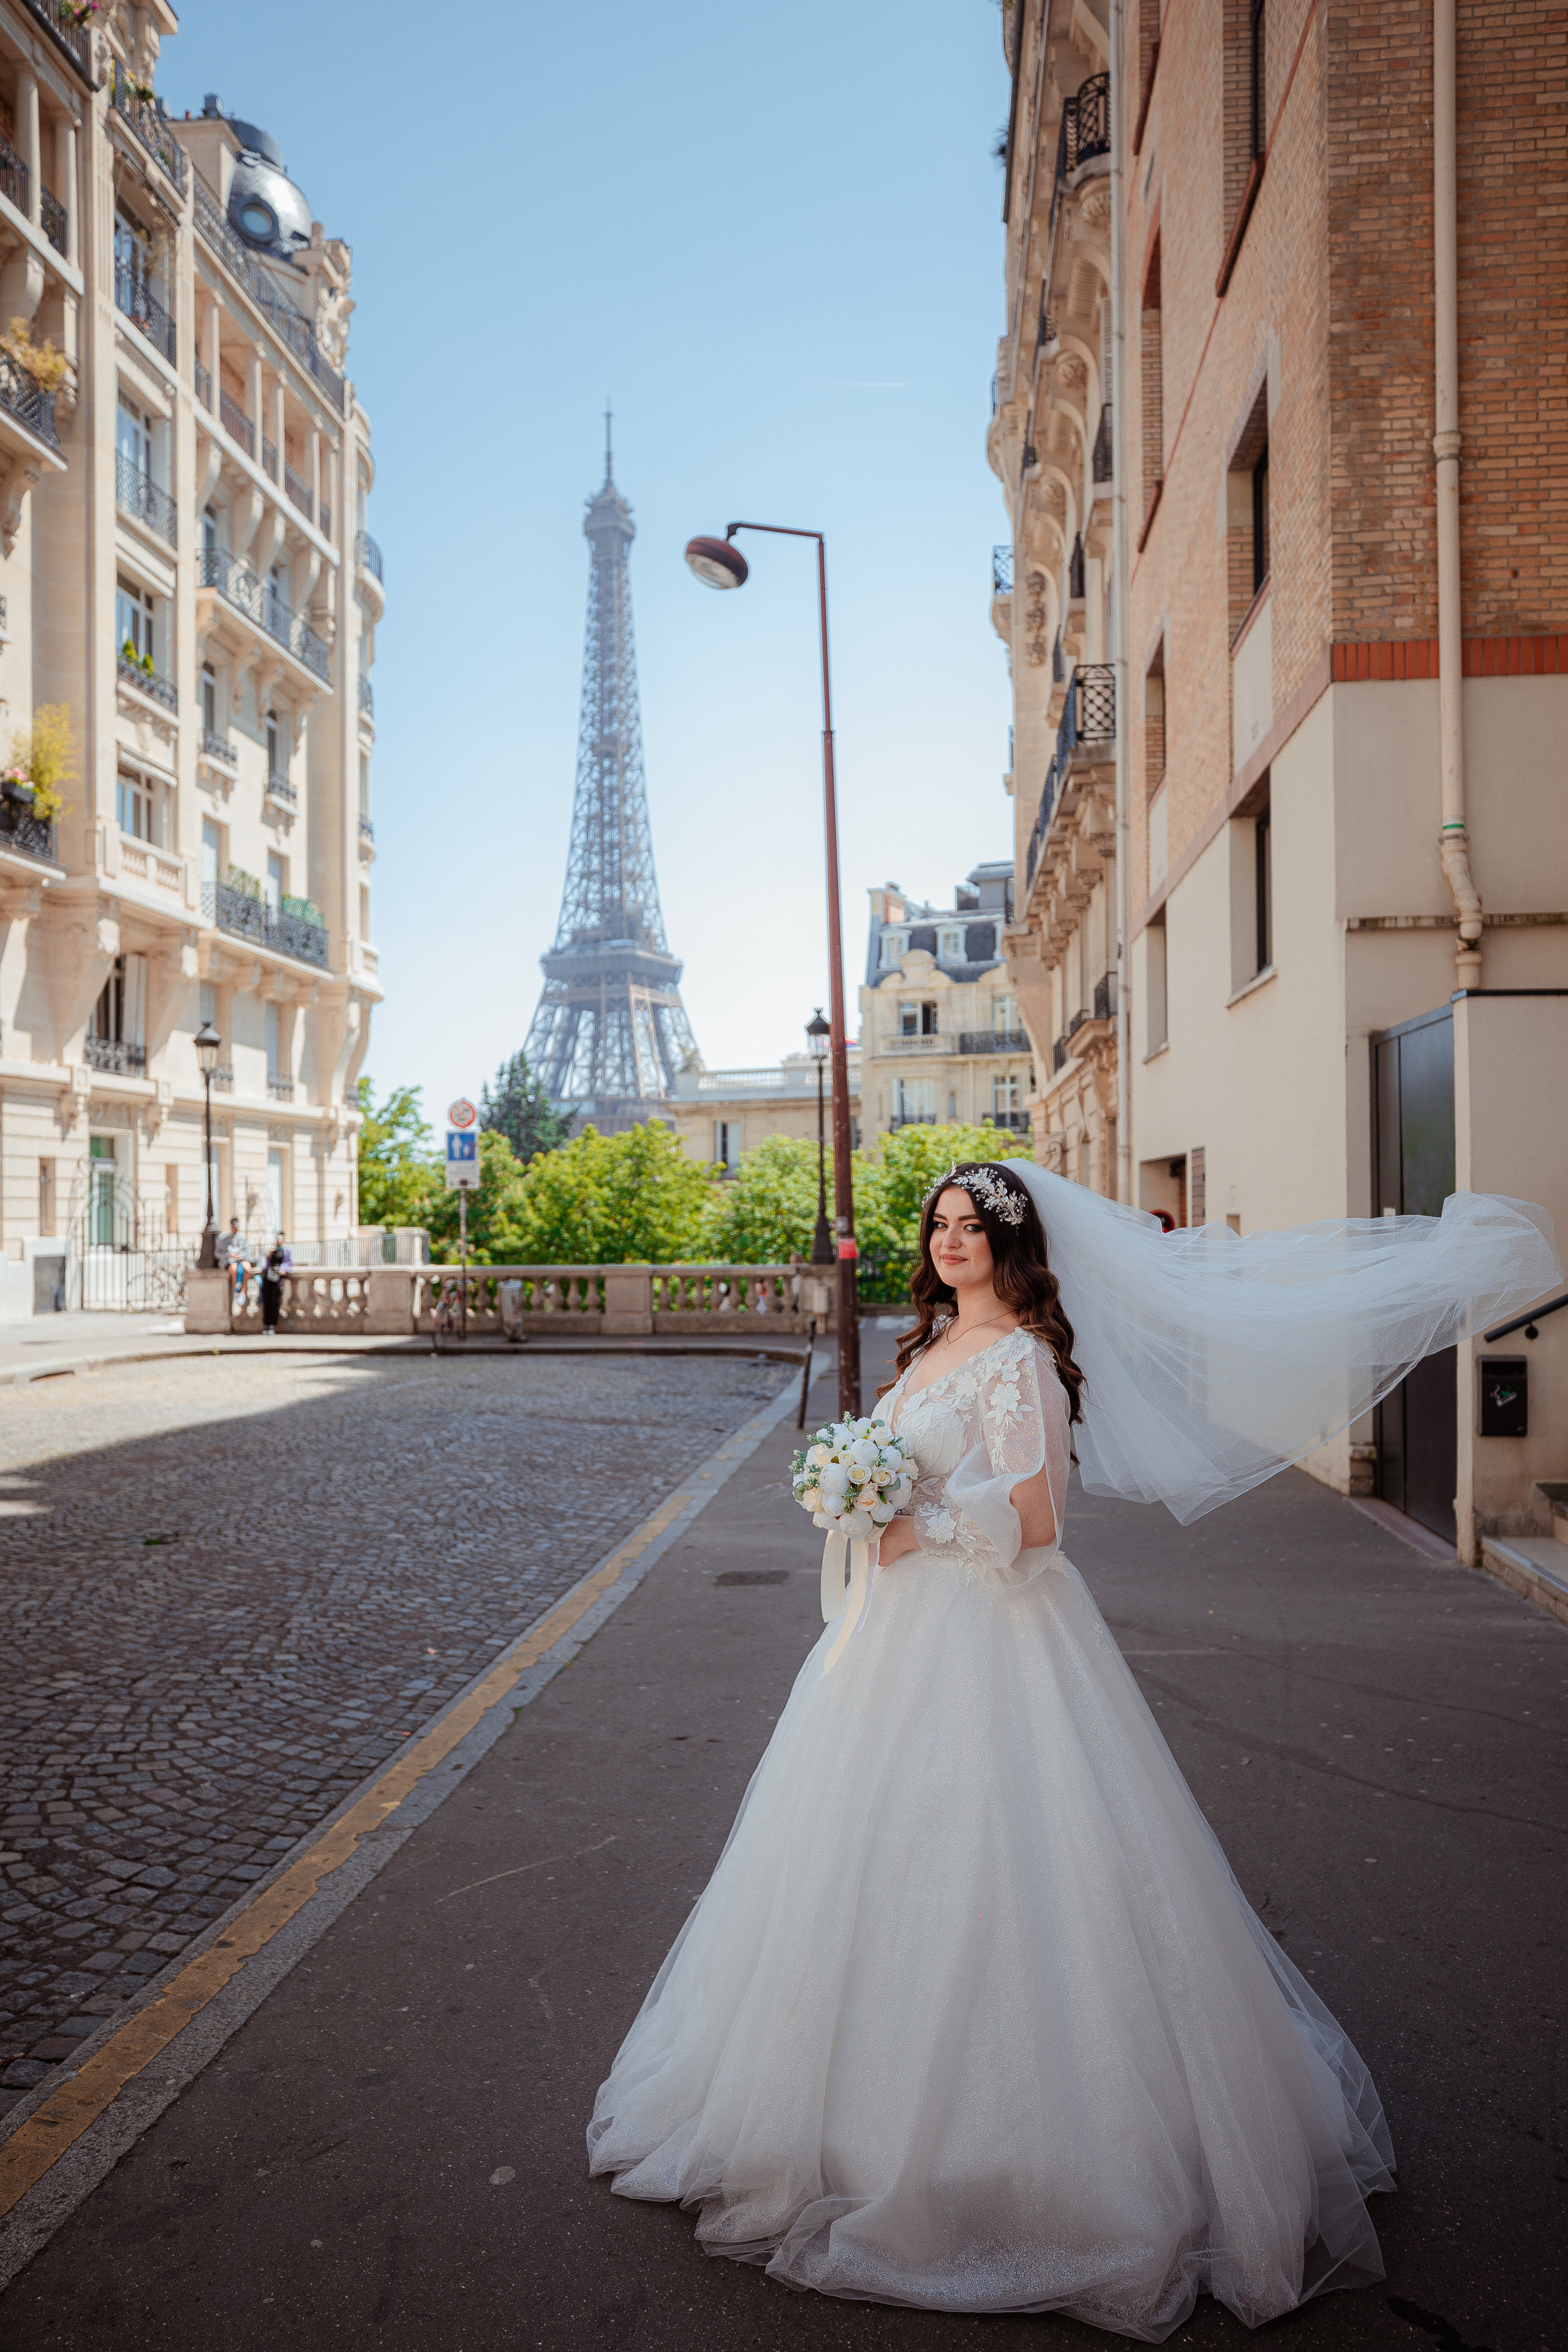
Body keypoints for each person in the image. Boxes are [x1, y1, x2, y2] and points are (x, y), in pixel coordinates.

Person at [587, 1159, 1559, 2339]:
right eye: (939, 1225)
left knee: (1009, 1863)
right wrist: (857, 1501)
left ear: (1013, 1244)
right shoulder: (929, 1345)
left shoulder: (1021, 1361)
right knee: (864, 1860)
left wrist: (903, 1522)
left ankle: (1043, 2156)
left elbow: (1036, 1518)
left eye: (972, 1226)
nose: (950, 1242)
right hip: (896, 1641)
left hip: (991, 1636)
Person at [259, 1234, 292, 1336]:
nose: (279, 1241)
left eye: (281, 1239)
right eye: (278, 1239)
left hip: (278, 1278)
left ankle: (273, 1325)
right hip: (269, 1277)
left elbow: (289, 1263)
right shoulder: (272, 1250)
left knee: (275, 1301)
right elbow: (268, 1264)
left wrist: (283, 1269)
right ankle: (266, 1324)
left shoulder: (286, 1250)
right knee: (267, 1300)